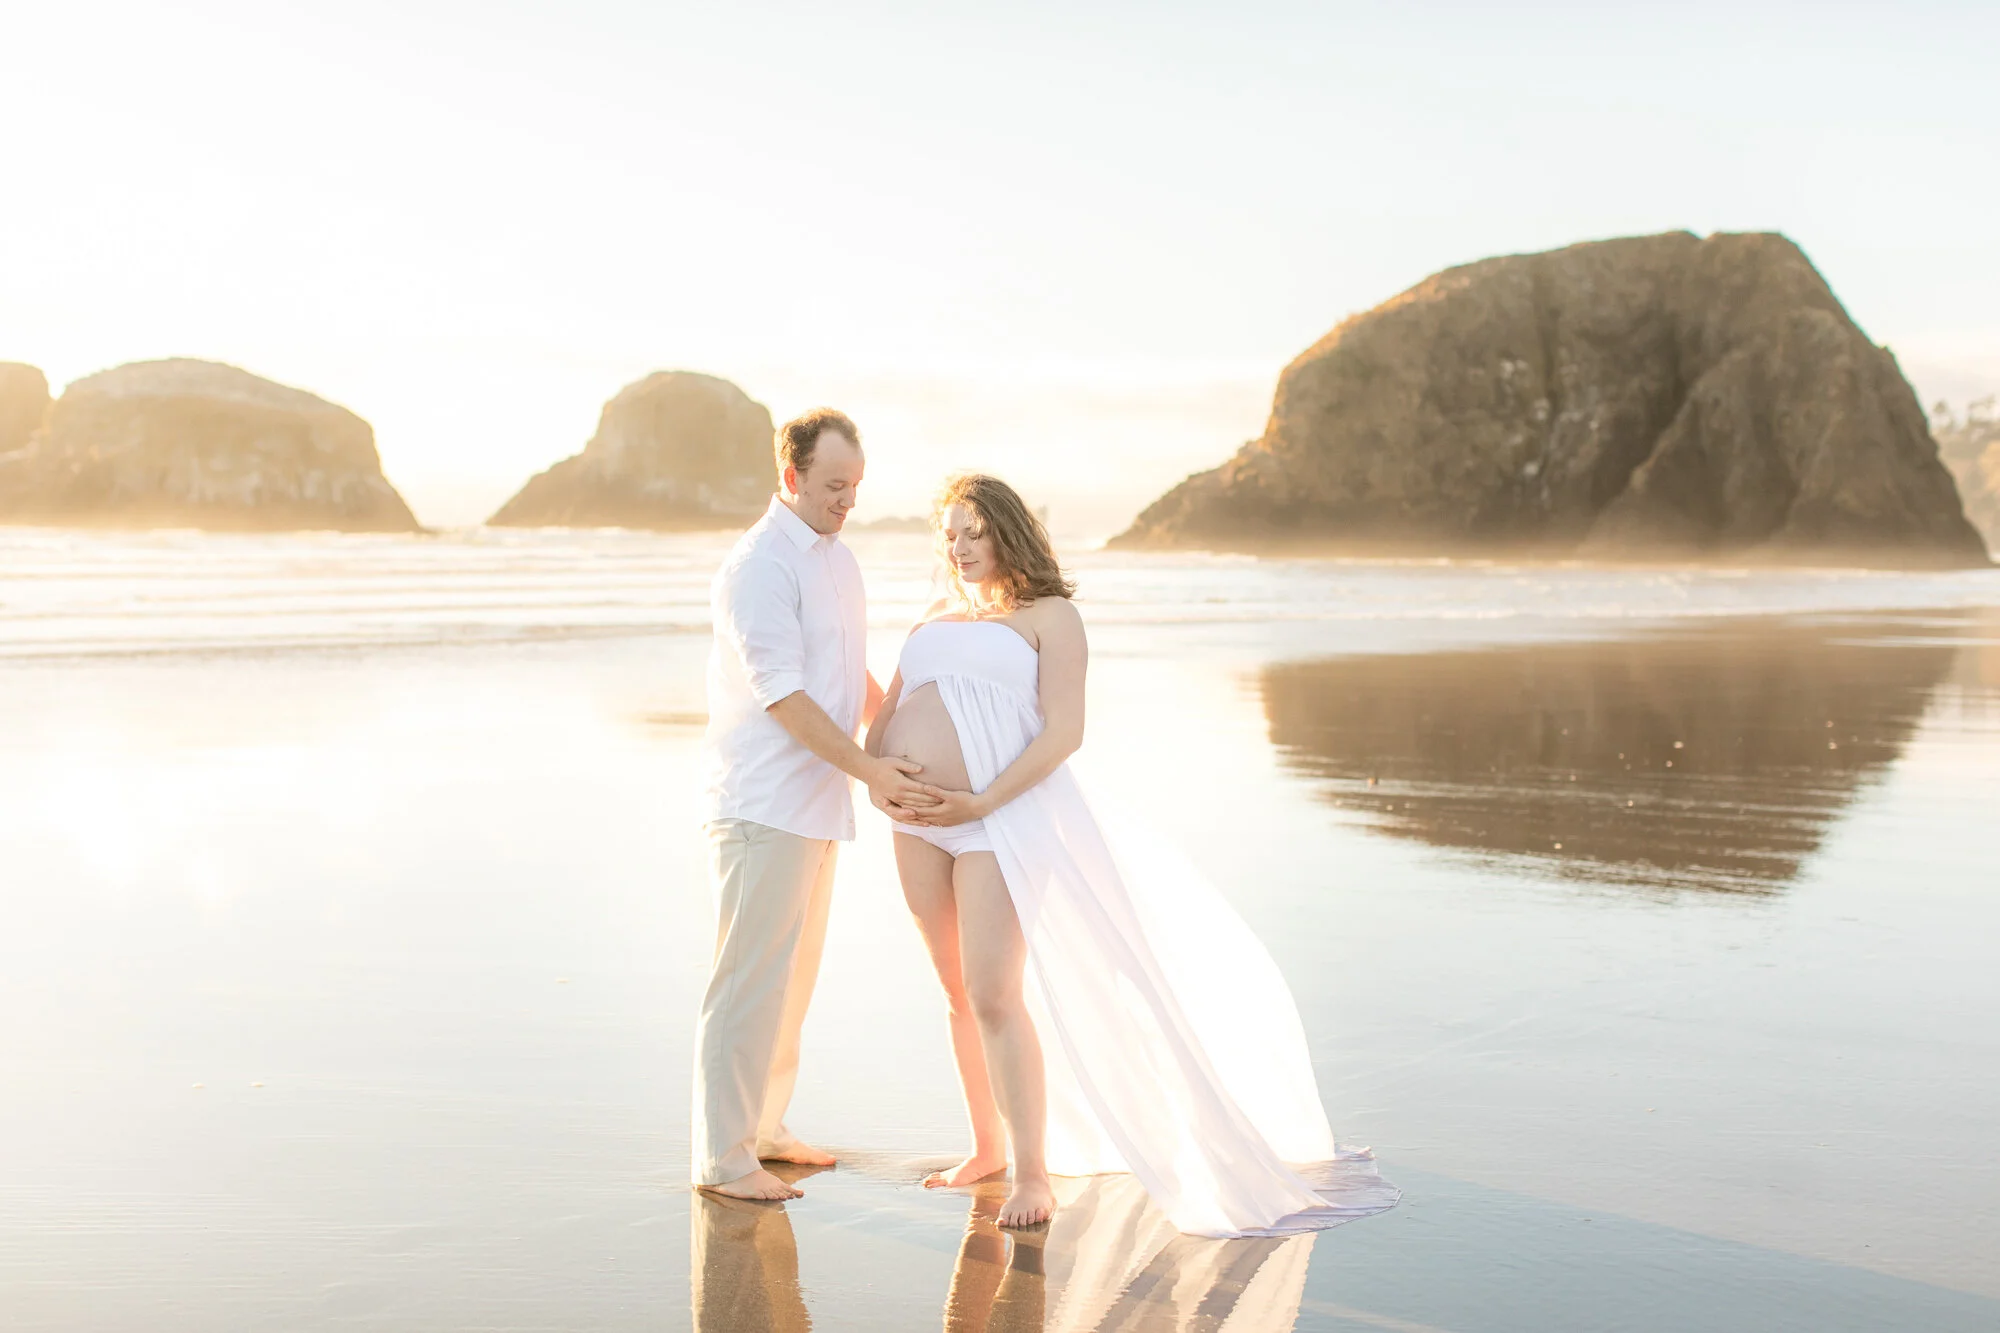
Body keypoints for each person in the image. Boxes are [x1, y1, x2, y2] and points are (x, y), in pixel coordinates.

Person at [866, 473, 1400, 1235]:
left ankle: (1031, 1171)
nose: (959, 548)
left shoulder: (1052, 616)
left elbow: (1063, 733)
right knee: (954, 990)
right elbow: (887, 711)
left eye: (974, 531)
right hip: (915, 821)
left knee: (993, 992)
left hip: (999, 820)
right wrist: (876, 780)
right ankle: (984, 1147)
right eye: (949, 534)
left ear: (1010, 532)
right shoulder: (932, 615)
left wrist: (981, 801)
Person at [693, 407, 937, 1202]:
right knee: (748, 983)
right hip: (763, 804)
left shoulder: (838, 559)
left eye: (857, 486)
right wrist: (869, 767)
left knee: (792, 982)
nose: (848, 500)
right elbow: (786, 699)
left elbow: (845, 677)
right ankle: (723, 1158)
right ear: (791, 477)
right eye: (835, 485)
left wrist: (897, 739)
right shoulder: (760, 565)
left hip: (819, 803)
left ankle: (764, 1130)